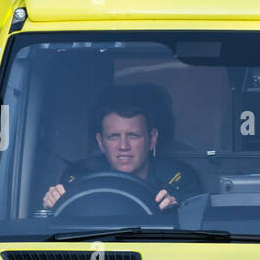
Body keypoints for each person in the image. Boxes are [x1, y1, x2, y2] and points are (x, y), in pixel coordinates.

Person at [42, 84, 202, 211]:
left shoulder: (179, 181)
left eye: (133, 135)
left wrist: (176, 209)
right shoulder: (78, 178)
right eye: (113, 136)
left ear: (152, 139)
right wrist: (54, 203)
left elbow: (194, 231)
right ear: (100, 142)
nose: (123, 146)